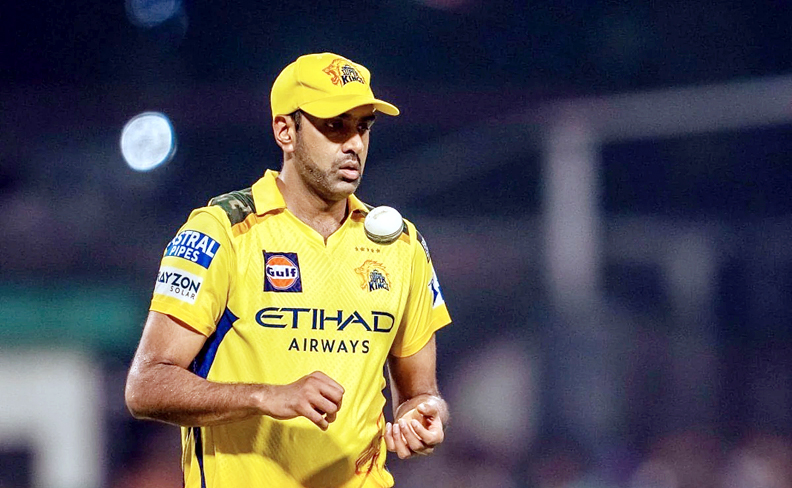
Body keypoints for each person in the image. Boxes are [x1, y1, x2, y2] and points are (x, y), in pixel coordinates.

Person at [125, 52, 452, 488]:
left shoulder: (401, 245)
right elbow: (145, 387)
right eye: (334, 126)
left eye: (363, 127)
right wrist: (266, 396)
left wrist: (424, 415)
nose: (354, 144)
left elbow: (419, 393)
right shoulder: (222, 232)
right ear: (285, 131)